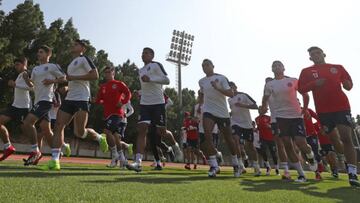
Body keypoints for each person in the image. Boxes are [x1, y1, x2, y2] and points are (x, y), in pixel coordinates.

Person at [40, 40, 108, 170]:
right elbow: (70, 79)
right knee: (59, 126)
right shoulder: (71, 64)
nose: (73, 46)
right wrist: (66, 87)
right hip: (70, 98)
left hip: (82, 98)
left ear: (82, 48)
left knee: (79, 132)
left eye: (76, 45)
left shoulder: (84, 59)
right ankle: (55, 160)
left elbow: (95, 75)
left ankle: (99, 138)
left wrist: (74, 78)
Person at [298, 46, 359, 187]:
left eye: (318, 52)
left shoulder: (337, 67)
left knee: (346, 137)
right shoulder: (306, 71)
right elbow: (301, 89)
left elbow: (349, 85)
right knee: (333, 139)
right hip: (323, 110)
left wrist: (347, 84)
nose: (316, 55)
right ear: (310, 58)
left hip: (341, 107)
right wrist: (314, 84)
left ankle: (352, 173)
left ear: (324, 54)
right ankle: (342, 156)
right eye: (313, 54)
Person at [260, 60, 317, 182]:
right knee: (287, 144)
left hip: (296, 116)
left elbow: (305, 95)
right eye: (274, 65)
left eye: (279, 65)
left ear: (283, 68)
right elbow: (264, 98)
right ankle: (301, 174)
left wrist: (305, 109)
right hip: (280, 118)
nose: (276, 67)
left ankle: (310, 156)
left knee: (300, 142)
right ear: (272, 69)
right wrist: (264, 106)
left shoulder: (293, 80)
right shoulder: (269, 85)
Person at [126, 47, 170, 172]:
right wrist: (138, 92)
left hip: (158, 103)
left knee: (161, 132)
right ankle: (138, 162)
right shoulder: (140, 71)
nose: (143, 55)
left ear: (152, 55)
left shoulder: (156, 65)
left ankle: (171, 147)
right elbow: (146, 88)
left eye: (146, 53)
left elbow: (167, 80)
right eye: (142, 53)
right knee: (142, 130)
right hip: (145, 104)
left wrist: (151, 79)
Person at [22, 45, 66, 166]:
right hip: (37, 101)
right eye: (38, 52)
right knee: (47, 130)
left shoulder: (52, 66)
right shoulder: (35, 69)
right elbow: (32, 85)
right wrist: (26, 78)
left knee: (27, 123)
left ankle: (35, 150)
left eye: (41, 52)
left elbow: (64, 78)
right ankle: (58, 152)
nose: (38, 54)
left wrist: (52, 81)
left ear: (48, 54)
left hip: (46, 101)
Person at [198, 59, 240, 177]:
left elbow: (231, 93)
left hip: (222, 113)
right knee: (207, 135)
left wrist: (217, 87)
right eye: (203, 66)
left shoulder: (221, 78)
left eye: (207, 65)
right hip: (208, 111)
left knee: (228, 139)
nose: (205, 67)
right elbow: (201, 93)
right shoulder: (201, 81)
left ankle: (236, 164)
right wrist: (200, 105)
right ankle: (214, 166)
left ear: (213, 66)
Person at [94, 66, 131, 169]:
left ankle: (115, 156)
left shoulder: (119, 84)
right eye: (105, 72)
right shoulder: (103, 86)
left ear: (113, 73)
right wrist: (95, 100)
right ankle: (122, 159)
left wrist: (122, 102)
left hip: (117, 114)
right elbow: (99, 99)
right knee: (116, 137)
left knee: (106, 131)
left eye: (108, 72)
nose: (106, 74)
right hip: (107, 114)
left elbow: (128, 93)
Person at [0, 57, 32, 161]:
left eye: (18, 64)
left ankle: (36, 150)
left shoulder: (27, 74)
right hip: (14, 106)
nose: (16, 67)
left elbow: (32, 87)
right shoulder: (19, 75)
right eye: (15, 65)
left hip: (24, 107)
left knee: (27, 130)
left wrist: (15, 85)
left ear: (24, 65)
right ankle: (8, 146)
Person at [228, 81, 260, 176]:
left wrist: (243, 105)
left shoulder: (244, 95)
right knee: (236, 141)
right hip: (235, 123)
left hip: (247, 124)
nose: (230, 89)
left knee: (250, 146)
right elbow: (233, 110)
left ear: (236, 86)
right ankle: (240, 166)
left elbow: (255, 106)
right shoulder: (229, 99)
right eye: (228, 88)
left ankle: (256, 166)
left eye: (232, 86)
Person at [255, 108, 279, 176]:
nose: (259, 111)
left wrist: (269, 126)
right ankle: (268, 166)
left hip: (271, 138)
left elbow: (274, 126)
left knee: (273, 153)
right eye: (259, 109)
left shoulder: (269, 117)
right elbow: (259, 127)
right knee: (263, 151)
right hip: (262, 138)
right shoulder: (256, 118)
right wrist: (256, 129)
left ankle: (276, 168)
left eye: (261, 109)